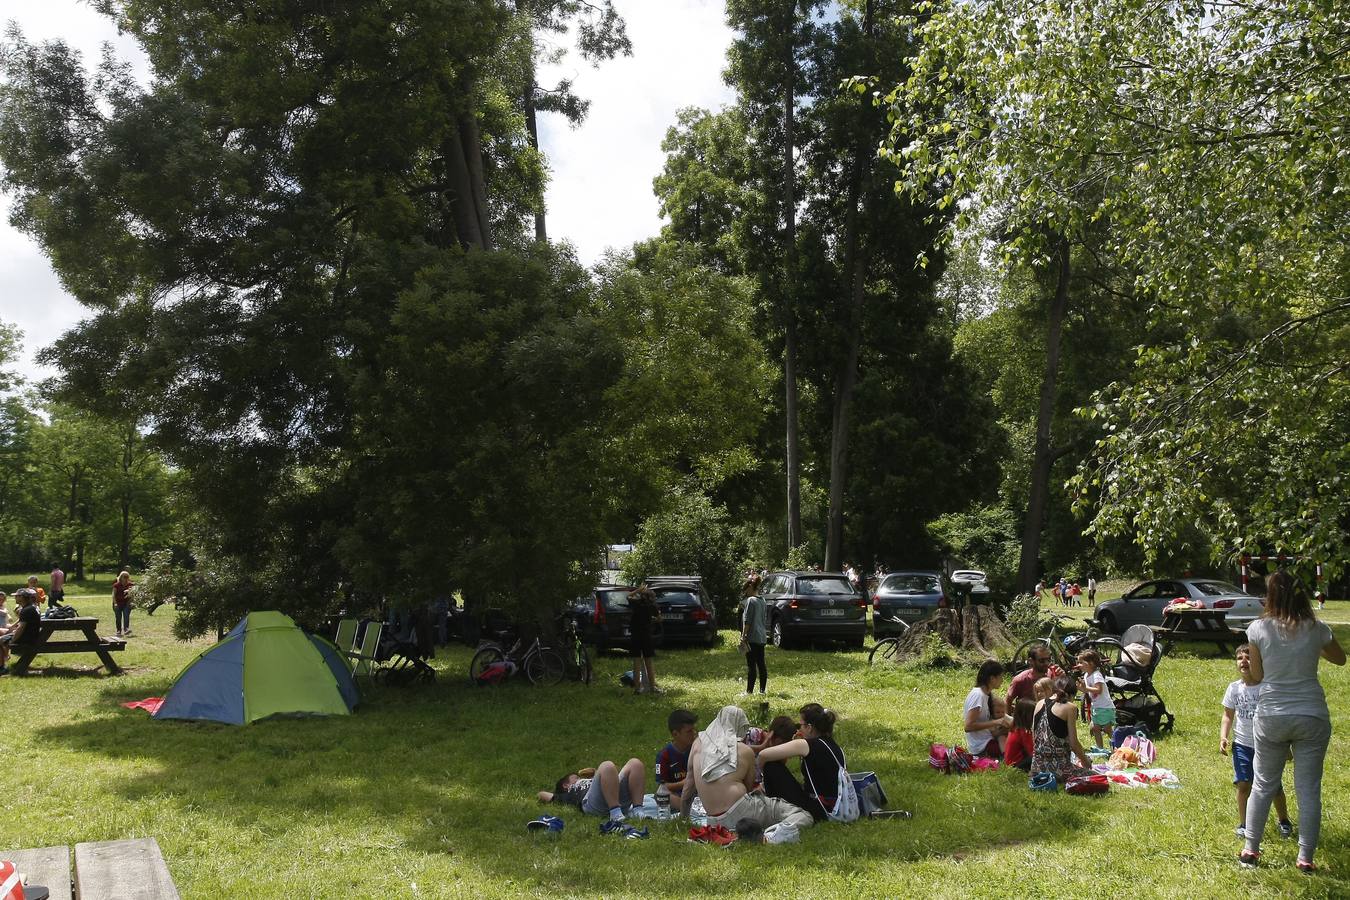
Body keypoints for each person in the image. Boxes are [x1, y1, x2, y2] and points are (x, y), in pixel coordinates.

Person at [1240, 570, 1345, 873]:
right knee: (1308, 788)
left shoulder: (1258, 629)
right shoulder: (1317, 627)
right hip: (1311, 715)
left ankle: (1250, 851)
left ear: (1270, 595)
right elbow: (1340, 659)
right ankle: (1305, 858)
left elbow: (1257, 676)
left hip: (1272, 715)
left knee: (1262, 784)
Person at [685, 706, 813, 833]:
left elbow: (688, 789)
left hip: (712, 821)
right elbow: (748, 789)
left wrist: (683, 818)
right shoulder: (744, 750)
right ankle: (770, 834)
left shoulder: (697, 744)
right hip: (741, 811)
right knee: (804, 816)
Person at [1220, 644, 1292, 841]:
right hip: (1242, 745)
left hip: (1268, 744)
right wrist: (1224, 737)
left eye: (1249, 657)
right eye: (1240, 658)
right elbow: (1228, 715)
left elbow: (1279, 717)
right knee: (1244, 785)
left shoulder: (1267, 687)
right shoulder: (1234, 688)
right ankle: (1244, 824)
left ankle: (1284, 820)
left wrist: (1286, 744)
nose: (1244, 660)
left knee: (1274, 785)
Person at [757, 704, 847, 822]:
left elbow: (763, 755)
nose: (799, 730)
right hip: (834, 805)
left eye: (801, 725)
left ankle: (774, 808)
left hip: (818, 808)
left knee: (771, 766)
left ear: (809, 727)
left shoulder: (805, 744)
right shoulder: (833, 745)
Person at [538, 758, 647, 821]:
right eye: (576, 778)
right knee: (607, 765)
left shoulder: (591, 780)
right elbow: (541, 794)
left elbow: (613, 774)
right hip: (593, 805)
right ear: (566, 785)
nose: (580, 778)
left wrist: (595, 773)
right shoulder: (569, 792)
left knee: (635, 763)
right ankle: (615, 814)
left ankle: (638, 810)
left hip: (615, 797)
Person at [1030, 675, 1092, 781]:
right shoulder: (1070, 707)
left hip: (1037, 769)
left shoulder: (1039, 703)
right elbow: (1074, 743)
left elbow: (1034, 737)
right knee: (1097, 776)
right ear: (1070, 695)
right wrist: (1085, 761)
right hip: (1060, 770)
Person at [964, 660, 1012, 758]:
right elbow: (968, 726)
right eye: (1000, 677)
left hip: (989, 738)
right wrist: (997, 722)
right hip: (982, 747)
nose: (1002, 680)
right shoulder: (978, 695)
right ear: (992, 678)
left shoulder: (987, 694)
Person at [655, 709, 697, 812]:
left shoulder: (697, 749)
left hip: (697, 792)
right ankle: (689, 810)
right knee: (660, 794)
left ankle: (692, 809)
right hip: (677, 794)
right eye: (689, 731)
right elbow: (662, 786)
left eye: (694, 729)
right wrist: (683, 783)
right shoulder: (664, 756)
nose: (694, 733)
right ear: (675, 734)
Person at [1075, 649, 1115, 749]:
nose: (1078, 665)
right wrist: (1082, 689)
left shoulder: (1096, 675)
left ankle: (1117, 746)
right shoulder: (1086, 675)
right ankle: (1100, 748)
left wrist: (1086, 688)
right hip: (1096, 707)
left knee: (1107, 729)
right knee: (1095, 728)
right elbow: (1089, 692)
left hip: (1105, 707)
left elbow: (1099, 690)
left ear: (1091, 663)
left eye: (1081, 662)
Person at [0, 588, 42, 675]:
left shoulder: (26, 610)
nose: (15, 598)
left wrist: (13, 640)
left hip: (27, 638)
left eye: (16, 596)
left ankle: (2, 667)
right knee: (3, 637)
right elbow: (21, 624)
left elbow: (21, 628)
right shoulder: (30, 607)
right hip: (31, 636)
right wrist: (11, 630)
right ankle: (4, 661)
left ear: (22, 597)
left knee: (0, 640)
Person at [626, 584, 659, 694]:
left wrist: (638, 590)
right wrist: (652, 620)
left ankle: (637, 689)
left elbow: (628, 596)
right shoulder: (653, 606)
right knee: (648, 662)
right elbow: (659, 618)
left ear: (641, 595)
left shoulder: (636, 603)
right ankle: (652, 687)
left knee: (636, 662)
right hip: (646, 636)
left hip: (635, 635)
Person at [741, 581, 768, 696]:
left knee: (751, 665)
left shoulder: (751, 601)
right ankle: (762, 690)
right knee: (761, 664)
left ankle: (749, 692)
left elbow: (747, 620)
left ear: (751, 587)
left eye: (746, 589)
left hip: (752, 637)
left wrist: (743, 636)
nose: (745, 592)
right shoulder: (763, 601)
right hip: (761, 636)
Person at [1005, 700, 1036, 771]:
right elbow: (1032, 751)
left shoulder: (1015, 727)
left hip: (1010, 762)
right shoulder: (1023, 731)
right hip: (1015, 765)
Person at [112, 570, 134, 637]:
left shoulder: (130, 585)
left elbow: (133, 594)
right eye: (124, 577)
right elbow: (113, 595)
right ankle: (118, 631)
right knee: (118, 618)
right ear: (121, 577)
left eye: (127, 576)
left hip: (126, 603)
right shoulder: (116, 585)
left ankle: (126, 629)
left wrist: (130, 602)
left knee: (126, 616)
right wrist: (115, 604)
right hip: (117, 603)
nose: (126, 578)